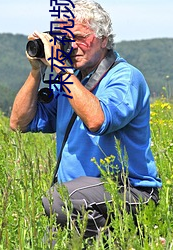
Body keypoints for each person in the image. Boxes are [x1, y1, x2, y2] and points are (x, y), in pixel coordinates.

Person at [10, 0, 162, 244]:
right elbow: (19, 123)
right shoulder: (72, 82)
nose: (72, 46)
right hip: (80, 199)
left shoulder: (124, 77)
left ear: (103, 39)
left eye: (80, 37)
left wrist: (61, 69)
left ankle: (117, 241)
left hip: (129, 192)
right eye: (66, 39)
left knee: (58, 199)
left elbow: (97, 120)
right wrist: (36, 71)